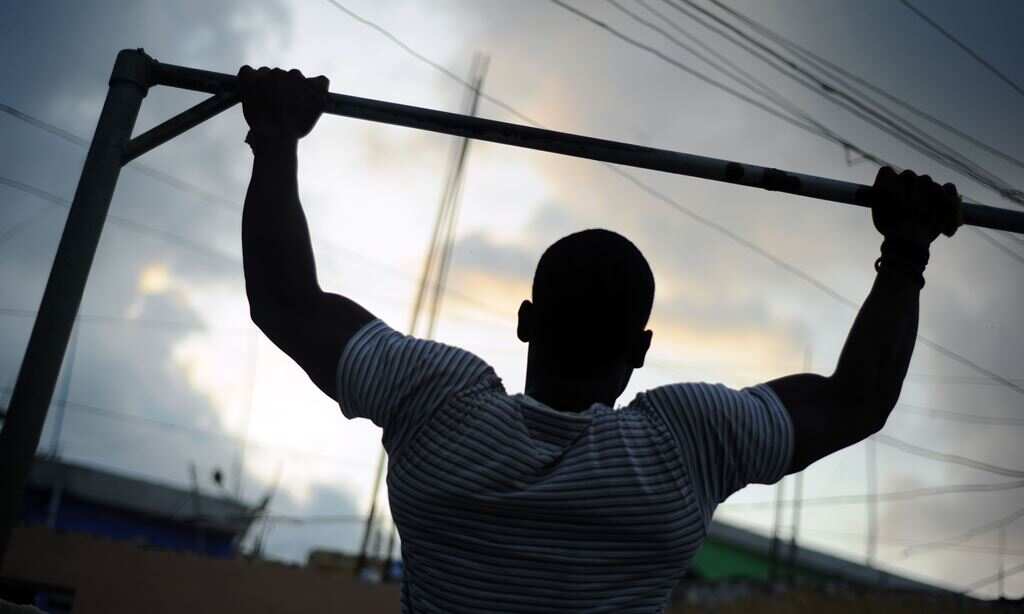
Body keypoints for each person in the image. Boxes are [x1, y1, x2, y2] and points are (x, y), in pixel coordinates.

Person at [237, 66, 961, 613]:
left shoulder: (434, 402)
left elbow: (286, 302)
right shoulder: (684, 446)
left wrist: (274, 140)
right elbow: (856, 401)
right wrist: (904, 255)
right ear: (640, 350)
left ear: (525, 321)